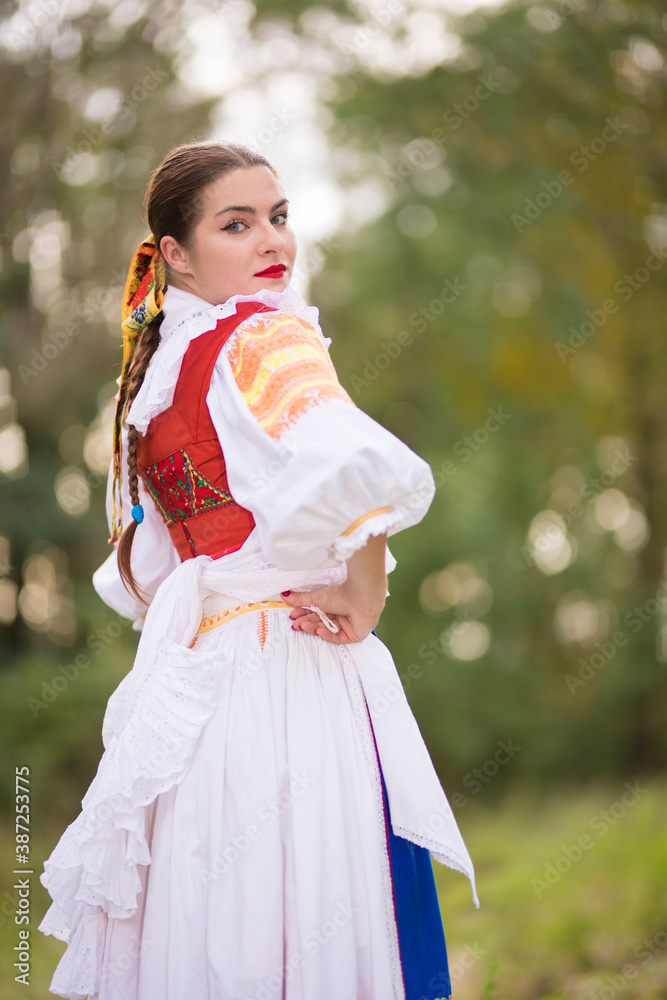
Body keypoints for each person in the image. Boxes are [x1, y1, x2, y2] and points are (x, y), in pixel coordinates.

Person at [38, 140, 478, 1000]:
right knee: (314, 901)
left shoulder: (154, 385)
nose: (271, 240)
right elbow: (355, 464)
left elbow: (149, 569)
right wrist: (365, 587)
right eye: (235, 224)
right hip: (291, 663)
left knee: (219, 913)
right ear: (176, 254)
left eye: (277, 216)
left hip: (201, 685)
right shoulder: (267, 335)